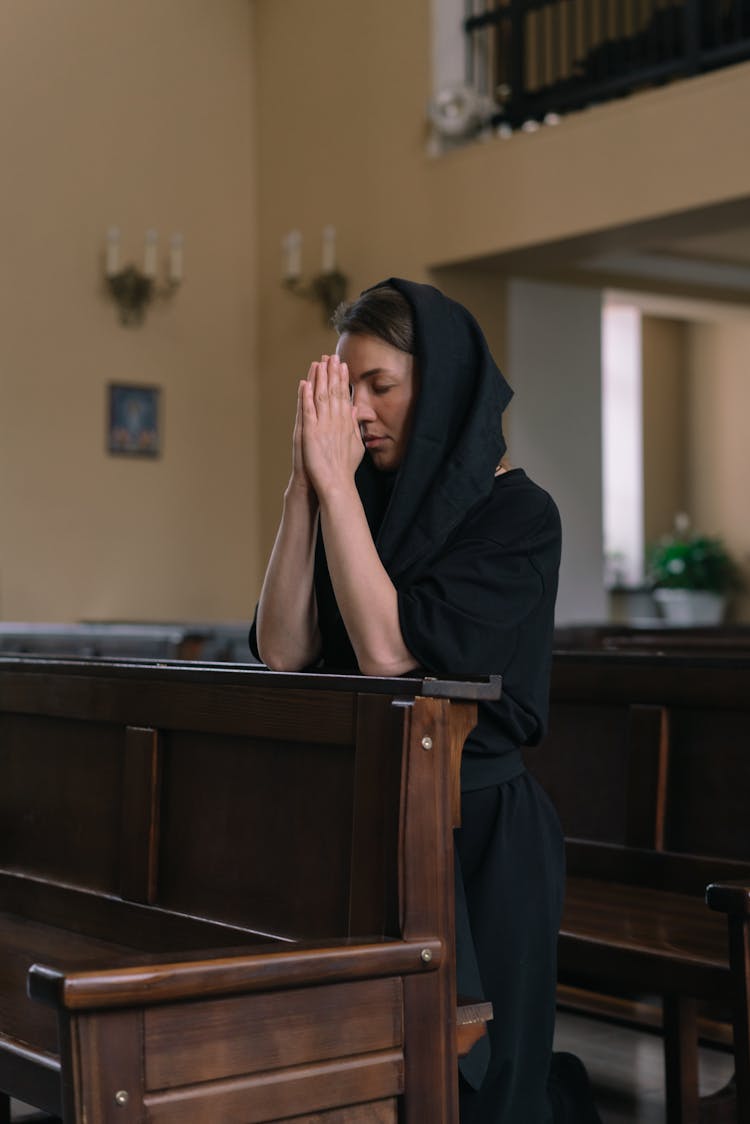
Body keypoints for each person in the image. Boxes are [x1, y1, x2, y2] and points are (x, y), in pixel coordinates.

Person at [249, 278, 602, 1124]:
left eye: (380, 385)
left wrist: (337, 492)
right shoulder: (358, 502)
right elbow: (284, 648)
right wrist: (305, 488)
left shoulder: (520, 517)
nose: (358, 410)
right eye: (346, 388)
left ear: (439, 384)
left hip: (481, 832)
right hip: (379, 815)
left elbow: (386, 653)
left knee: (485, 1089)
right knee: (390, 1081)